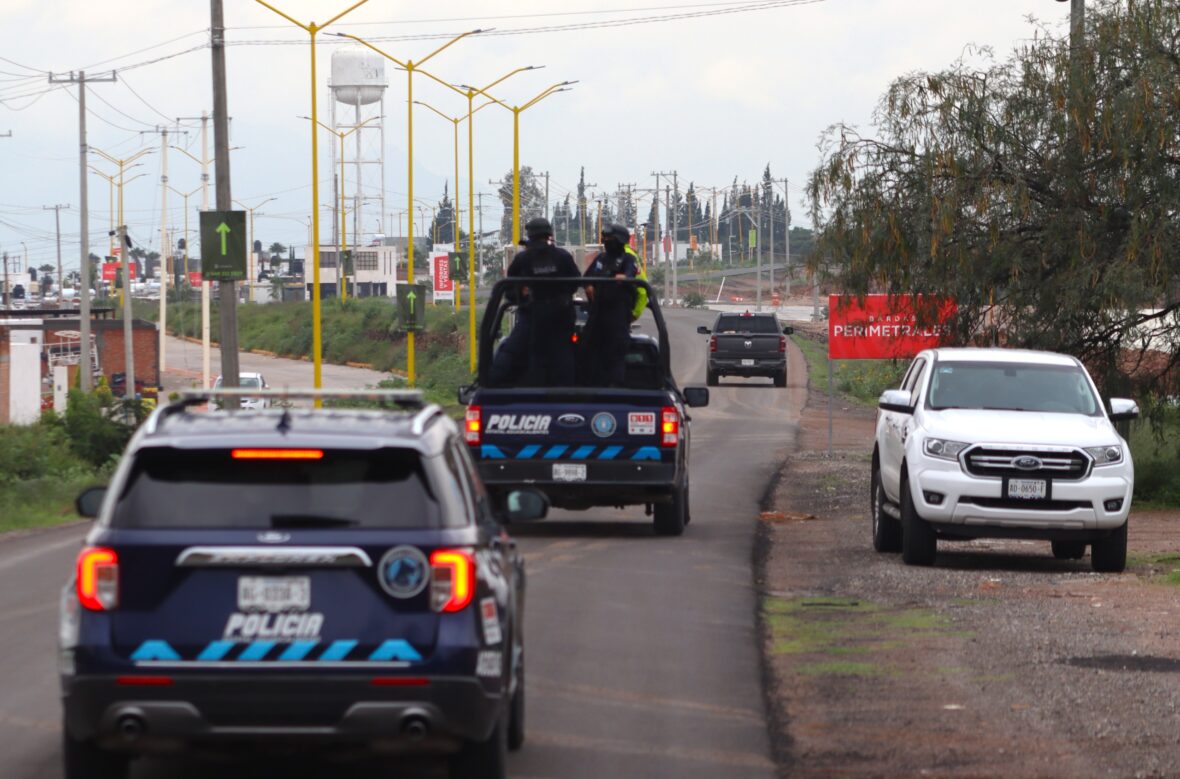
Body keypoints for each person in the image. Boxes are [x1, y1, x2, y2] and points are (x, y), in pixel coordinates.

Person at [493, 216, 581, 386]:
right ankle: (567, 392)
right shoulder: (563, 256)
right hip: (561, 317)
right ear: (549, 235)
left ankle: (495, 384)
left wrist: (523, 293)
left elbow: (509, 291)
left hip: (532, 317)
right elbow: (575, 283)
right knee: (564, 355)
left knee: (515, 353)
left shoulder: (523, 259)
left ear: (530, 236)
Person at [583, 223, 640, 387]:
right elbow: (586, 278)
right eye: (605, 238)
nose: (607, 241)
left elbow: (631, 273)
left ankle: (615, 388)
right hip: (597, 313)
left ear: (620, 241)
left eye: (610, 239)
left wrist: (624, 278)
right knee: (588, 348)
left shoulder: (628, 259)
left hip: (618, 314)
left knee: (615, 353)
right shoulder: (601, 259)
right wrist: (589, 287)